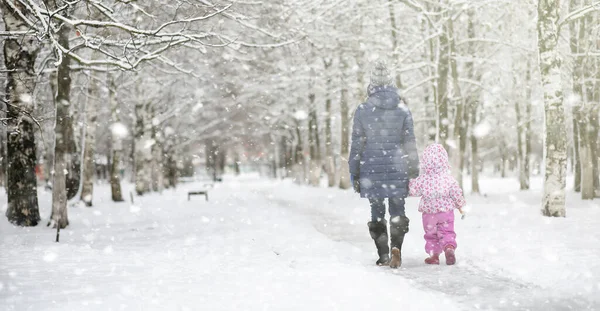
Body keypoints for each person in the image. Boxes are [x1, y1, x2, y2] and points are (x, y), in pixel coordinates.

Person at [348, 61, 419, 269]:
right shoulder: (403, 109)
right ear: (391, 83)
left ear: (372, 84)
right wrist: (413, 167)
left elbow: (357, 144)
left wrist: (355, 172)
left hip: (371, 169)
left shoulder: (362, 110)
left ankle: (383, 254)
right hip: (398, 167)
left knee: (376, 211)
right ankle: (396, 248)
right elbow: (409, 142)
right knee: (397, 209)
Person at [408, 144, 466, 265]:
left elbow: (413, 190)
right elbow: (456, 193)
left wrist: (408, 183)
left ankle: (434, 255)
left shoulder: (423, 179)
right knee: (447, 232)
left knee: (431, 234)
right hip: (446, 212)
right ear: (444, 160)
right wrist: (460, 205)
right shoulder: (448, 179)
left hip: (429, 214)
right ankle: (449, 248)